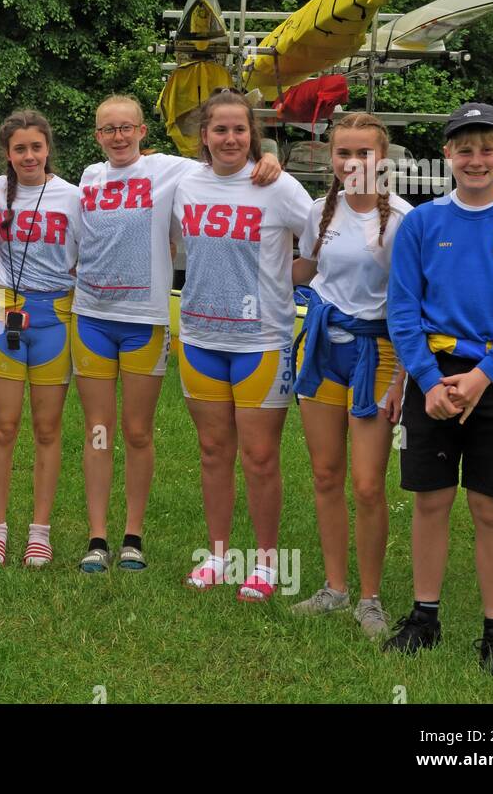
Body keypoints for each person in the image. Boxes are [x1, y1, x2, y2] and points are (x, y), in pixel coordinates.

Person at [385, 102, 493, 676]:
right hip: (433, 380)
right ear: (448, 156)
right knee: (431, 501)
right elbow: (403, 310)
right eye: (464, 149)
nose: (476, 159)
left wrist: (485, 375)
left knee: (489, 506)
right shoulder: (421, 223)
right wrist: (429, 382)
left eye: (487, 148)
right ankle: (424, 616)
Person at [71, 94, 279, 573]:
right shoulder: (89, 177)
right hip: (91, 316)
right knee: (99, 431)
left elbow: (226, 162)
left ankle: (133, 537)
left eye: (127, 128)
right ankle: (97, 536)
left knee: (138, 431)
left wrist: (266, 157)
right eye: (108, 129)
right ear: (97, 135)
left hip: (144, 319)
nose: (118, 137)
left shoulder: (171, 170)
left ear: (144, 132)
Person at [174, 89, 312, 601]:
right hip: (200, 337)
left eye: (239, 130)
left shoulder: (277, 187)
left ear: (252, 135)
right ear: (203, 136)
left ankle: (267, 561)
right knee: (213, 451)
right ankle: (217, 555)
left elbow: (320, 240)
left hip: (262, 341)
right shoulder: (184, 181)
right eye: (219, 129)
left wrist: (286, 276)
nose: (230, 138)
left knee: (258, 456)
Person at [289, 113, 412, 636]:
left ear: (381, 159)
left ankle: (370, 598)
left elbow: (412, 305)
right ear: (332, 159)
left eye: (364, 153)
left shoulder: (403, 220)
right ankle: (334, 587)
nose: (353, 163)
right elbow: (304, 270)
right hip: (321, 349)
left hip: (377, 353)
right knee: (325, 475)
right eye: (343, 153)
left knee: (366, 484)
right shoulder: (321, 211)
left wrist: (402, 378)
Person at [0, 110, 80, 567]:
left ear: (47, 148)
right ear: (7, 153)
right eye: (19, 148)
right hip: (2, 313)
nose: (29, 156)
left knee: (47, 428)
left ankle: (40, 531)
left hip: (54, 314)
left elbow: (87, 254)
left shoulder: (73, 197)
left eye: (36, 147)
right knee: (3, 427)